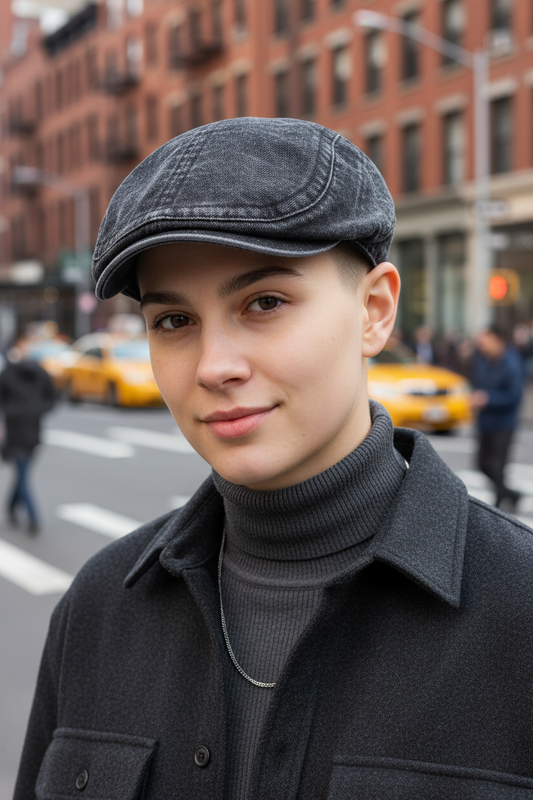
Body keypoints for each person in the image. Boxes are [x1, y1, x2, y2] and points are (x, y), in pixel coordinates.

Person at [15, 119, 533, 799]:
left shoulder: (518, 615)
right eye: (173, 321)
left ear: (374, 310)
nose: (215, 366)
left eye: (264, 303)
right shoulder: (99, 607)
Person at [0, 340, 55, 532]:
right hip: (33, 429)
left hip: (15, 430)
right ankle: (14, 509)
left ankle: (32, 516)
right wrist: (37, 410)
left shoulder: (7, 373)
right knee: (22, 471)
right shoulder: (40, 372)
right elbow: (51, 398)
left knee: (22, 473)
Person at [471, 325, 523, 511]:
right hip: (485, 423)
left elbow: (514, 396)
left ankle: (499, 506)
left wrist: (488, 399)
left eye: (486, 341)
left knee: (498, 466)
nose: (482, 345)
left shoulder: (511, 363)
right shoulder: (483, 360)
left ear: (498, 340)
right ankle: (512, 495)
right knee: (482, 464)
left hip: (503, 424)